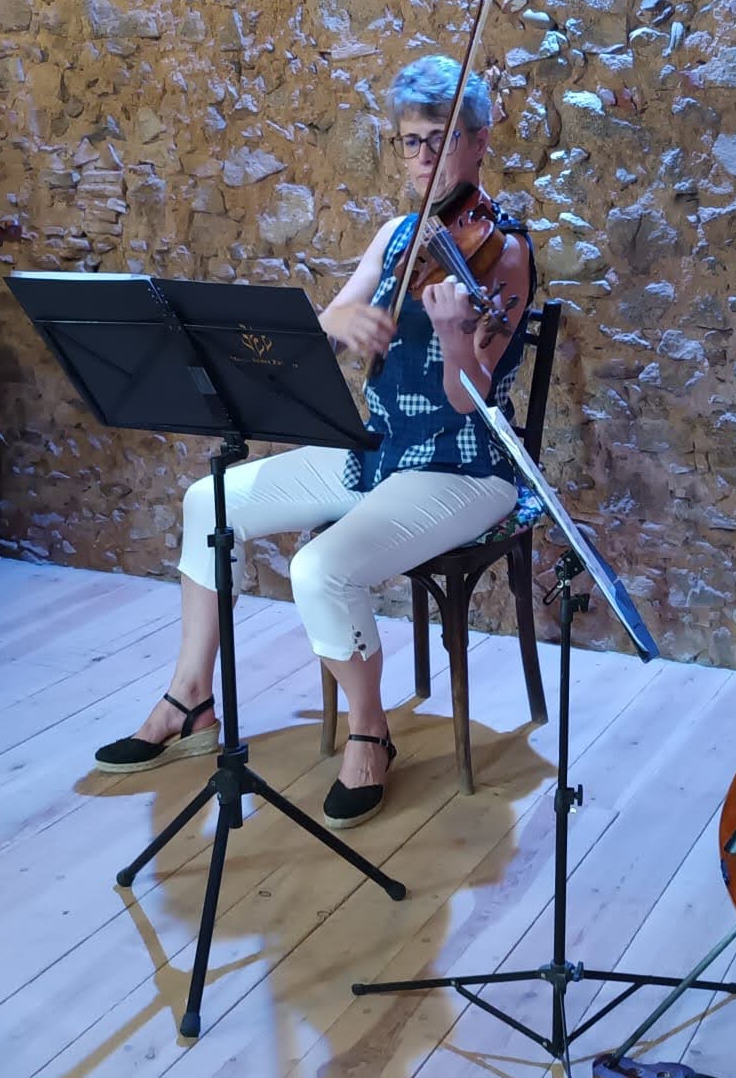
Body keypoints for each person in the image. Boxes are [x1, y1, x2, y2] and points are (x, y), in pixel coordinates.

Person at [92, 55, 536, 829]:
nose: (423, 159)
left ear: (478, 143)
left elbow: (471, 399)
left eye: (439, 140)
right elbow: (324, 330)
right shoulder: (397, 236)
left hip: (464, 467)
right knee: (208, 501)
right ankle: (190, 698)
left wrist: (454, 338)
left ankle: (370, 731)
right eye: (410, 142)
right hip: (377, 448)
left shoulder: (508, 252)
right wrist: (337, 321)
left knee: (320, 567)